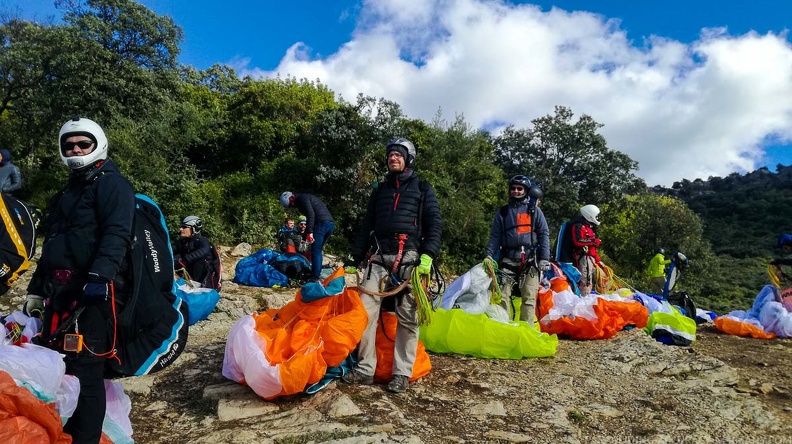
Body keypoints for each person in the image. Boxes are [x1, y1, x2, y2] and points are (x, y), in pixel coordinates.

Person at [23, 117, 136, 444]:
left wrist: (100, 277)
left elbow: (117, 233)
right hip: (60, 294)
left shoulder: (112, 185)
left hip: (93, 297)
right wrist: (35, 290)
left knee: (86, 373)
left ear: (96, 144)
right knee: (62, 365)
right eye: (69, 144)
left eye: (82, 144)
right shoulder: (67, 192)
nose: (75, 149)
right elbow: (54, 245)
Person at [343, 137, 442, 394]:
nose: (393, 158)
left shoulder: (422, 187)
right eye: (390, 155)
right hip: (378, 255)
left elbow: (434, 223)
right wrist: (355, 258)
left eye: (398, 154)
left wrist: (428, 255)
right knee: (365, 312)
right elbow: (367, 224)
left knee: (408, 317)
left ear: (408, 158)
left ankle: (401, 373)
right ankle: (365, 369)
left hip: (409, 257)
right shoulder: (380, 190)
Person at [484, 175, 550, 324]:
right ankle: (505, 328)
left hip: (529, 259)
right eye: (513, 188)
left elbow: (543, 234)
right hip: (507, 259)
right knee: (502, 296)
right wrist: (488, 255)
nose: (516, 191)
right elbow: (495, 236)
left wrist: (545, 258)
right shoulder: (503, 212)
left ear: (526, 191)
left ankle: (526, 331)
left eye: (519, 189)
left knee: (529, 296)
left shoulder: (534, 211)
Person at [279, 191, 334, 281]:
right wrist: (304, 238)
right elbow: (310, 218)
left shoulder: (302, 199)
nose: (292, 207)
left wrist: (310, 232)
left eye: (291, 205)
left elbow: (311, 215)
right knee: (318, 250)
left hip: (321, 224)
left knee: (315, 251)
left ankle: (314, 277)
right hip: (330, 224)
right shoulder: (306, 197)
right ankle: (316, 274)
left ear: (291, 199)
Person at [173, 215, 215, 288]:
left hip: (204, 275)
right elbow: (173, 248)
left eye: (184, 227)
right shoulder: (183, 241)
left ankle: (197, 286)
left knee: (199, 260)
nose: (181, 229)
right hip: (190, 273)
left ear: (194, 228)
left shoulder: (202, 240)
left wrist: (186, 259)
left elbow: (205, 250)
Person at [570, 204, 603, 296]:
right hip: (583, 258)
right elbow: (578, 241)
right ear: (590, 215)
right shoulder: (578, 226)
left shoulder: (588, 227)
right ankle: (582, 300)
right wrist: (594, 241)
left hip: (590, 259)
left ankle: (586, 298)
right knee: (585, 281)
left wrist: (598, 260)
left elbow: (592, 248)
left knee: (589, 281)